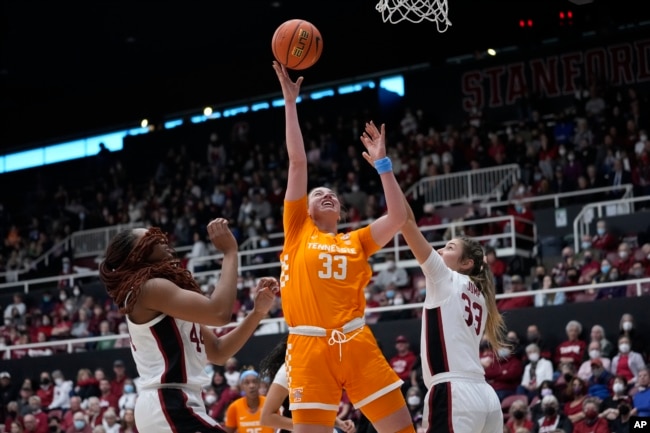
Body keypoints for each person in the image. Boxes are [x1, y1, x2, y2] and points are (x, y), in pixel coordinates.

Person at [272, 61, 413, 433]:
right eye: (319, 193)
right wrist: (290, 103)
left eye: (332, 193)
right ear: (306, 206)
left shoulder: (356, 240)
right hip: (308, 348)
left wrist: (383, 165)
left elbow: (398, 216)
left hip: (355, 341)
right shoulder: (297, 228)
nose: (328, 194)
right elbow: (298, 162)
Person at [98, 218, 280, 433]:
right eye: (151, 239)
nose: (161, 239)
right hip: (167, 403)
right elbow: (219, 313)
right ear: (136, 256)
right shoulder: (148, 288)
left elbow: (219, 352)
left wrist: (257, 313)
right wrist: (230, 253)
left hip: (176, 403)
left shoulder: (166, 297)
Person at [400, 195, 508, 432]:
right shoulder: (481, 294)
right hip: (484, 395)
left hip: (454, 392)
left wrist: (384, 169)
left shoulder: (445, 277)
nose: (439, 249)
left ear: (466, 263)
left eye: (449, 247)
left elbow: (405, 221)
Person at [258, 336, 356, 433]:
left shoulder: (323, 368)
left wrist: (340, 423)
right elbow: (266, 418)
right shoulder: (288, 369)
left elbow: (316, 409)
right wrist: (306, 428)